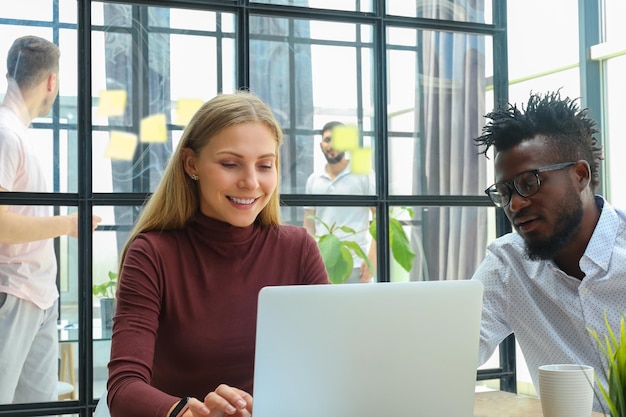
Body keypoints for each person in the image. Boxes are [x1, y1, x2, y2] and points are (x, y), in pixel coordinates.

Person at [106, 91, 329, 417]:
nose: (251, 182)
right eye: (230, 164)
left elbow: (326, 368)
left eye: (265, 165)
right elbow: (124, 389)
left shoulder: (298, 249)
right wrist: (187, 413)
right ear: (191, 163)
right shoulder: (152, 254)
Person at [472, 90, 626, 413]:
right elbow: (451, 350)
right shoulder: (507, 266)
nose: (514, 205)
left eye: (529, 183)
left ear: (580, 175)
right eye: (504, 192)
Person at [0, 35, 102, 403]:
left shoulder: (18, 135)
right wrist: (68, 224)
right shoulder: (6, 134)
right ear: (51, 82)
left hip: (38, 296)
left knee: (39, 408)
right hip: (12, 294)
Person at [303, 121, 376, 283]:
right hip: (321, 263)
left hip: (357, 264)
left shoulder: (364, 174)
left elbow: (380, 218)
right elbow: (309, 225)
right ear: (321, 144)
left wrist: (373, 256)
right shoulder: (314, 180)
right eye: (327, 140)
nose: (331, 145)